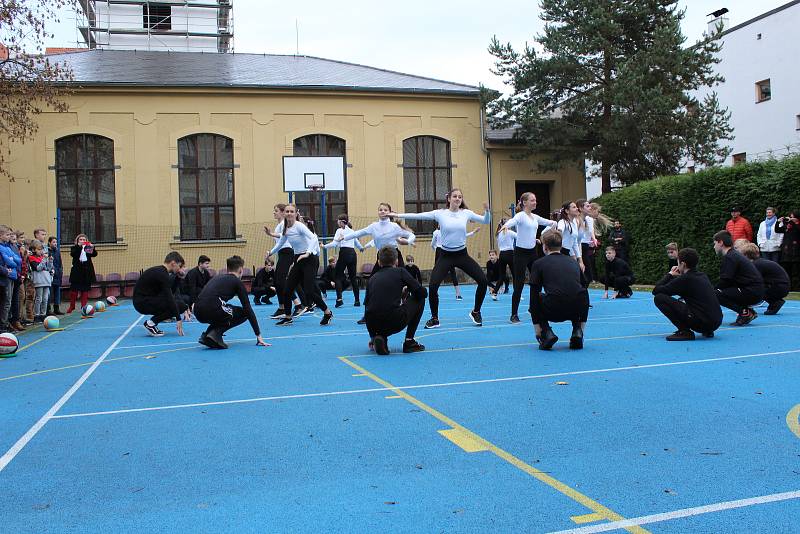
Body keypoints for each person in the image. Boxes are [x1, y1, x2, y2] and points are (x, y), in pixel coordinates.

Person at [391, 188, 491, 328]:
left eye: (460, 197)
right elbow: (418, 215)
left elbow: (486, 221)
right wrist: (398, 214)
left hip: (462, 255)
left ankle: (476, 311)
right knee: (432, 286)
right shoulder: (440, 214)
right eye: (455, 196)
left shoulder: (466, 213)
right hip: (445, 256)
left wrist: (487, 211)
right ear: (449, 198)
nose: (457, 199)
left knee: (483, 281)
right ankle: (435, 318)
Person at [269, 205, 333, 326]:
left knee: (309, 291)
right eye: (287, 211)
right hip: (298, 258)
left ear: (295, 213)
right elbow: (282, 241)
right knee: (287, 290)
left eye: (291, 211)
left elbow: (314, 238)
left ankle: (327, 312)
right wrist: (271, 252)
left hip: (309, 259)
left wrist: (307, 253)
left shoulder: (299, 226)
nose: (289, 213)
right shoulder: (285, 227)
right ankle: (288, 317)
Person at [529, 230, 589, 350]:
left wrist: (537, 327)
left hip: (554, 310)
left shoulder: (538, 264)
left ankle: (547, 332)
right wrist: (582, 325)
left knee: (538, 296)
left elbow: (533, 296)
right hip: (576, 310)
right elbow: (584, 286)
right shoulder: (573, 262)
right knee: (580, 294)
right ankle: (577, 331)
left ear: (545, 247)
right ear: (561, 246)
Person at [502, 193, 557, 323]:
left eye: (535, 200)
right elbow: (512, 221)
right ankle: (514, 314)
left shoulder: (535, 217)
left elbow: (551, 223)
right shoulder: (520, 216)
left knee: (537, 281)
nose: (535, 202)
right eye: (532, 200)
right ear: (524, 202)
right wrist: (506, 226)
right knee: (519, 284)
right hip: (520, 254)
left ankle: (533, 307)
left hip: (533, 252)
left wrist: (542, 237)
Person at [194, 255, 269, 349]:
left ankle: (207, 336)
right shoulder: (237, 282)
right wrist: (258, 335)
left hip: (197, 311)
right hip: (212, 309)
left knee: (226, 309)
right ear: (241, 270)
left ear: (227, 269)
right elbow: (248, 309)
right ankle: (214, 334)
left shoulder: (217, 277)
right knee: (243, 313)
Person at [364, 246, 427, 355]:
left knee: (378, 311)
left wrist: (372, 335)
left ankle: (380, 338)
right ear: (397, 261)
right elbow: (422, 293)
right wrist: (408, 291)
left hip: (373, 324)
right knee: (419, 298)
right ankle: (409, 342)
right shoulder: (401, 272)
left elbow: (367, 306)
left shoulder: (372, 278)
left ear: (379, 262)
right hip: (394, 321)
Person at [652, 248, 723, 340]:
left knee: (659, 298)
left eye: (678, 263)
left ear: (682, 264)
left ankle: (684, 331)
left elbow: (656, 290)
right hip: (716, 322)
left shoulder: (684, 280)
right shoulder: (702, 275)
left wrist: (669, 274)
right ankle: (707, 330)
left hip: (701, 323)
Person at [713, 230, 765, 326]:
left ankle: (745, 313)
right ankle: (747, 311)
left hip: (752, 291)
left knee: (715, 294)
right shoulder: (734, 255)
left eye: (715, 243)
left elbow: (726, 280)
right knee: (723, 291)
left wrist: (710, 290)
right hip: (755, 290)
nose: (714, 247)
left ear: (721, 242)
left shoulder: (730, 257)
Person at [133, 252, 191, 336]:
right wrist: (178, 319)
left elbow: (172, 292)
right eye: (179, 266)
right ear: (173, 263)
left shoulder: (161, 272)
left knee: (179, 305)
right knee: (180, 306)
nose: (179, 269)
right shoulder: (162, 274)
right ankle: (150, 323)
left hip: (144, 301)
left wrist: (178, 278)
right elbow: (169, 297)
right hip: (142, 303)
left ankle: (151, 323)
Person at [264, 203, 305, 319]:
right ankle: (281, 307)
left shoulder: (284, 224)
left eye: (276, 210)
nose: (274, 212)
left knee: (282, 281)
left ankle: (298, 305)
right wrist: (271, 252)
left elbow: (282, 236)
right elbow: (279, 241)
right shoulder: (279, 225)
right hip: (282, 253)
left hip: (287, 252)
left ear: (282, 213)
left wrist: (271, 233)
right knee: (277, 282)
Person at [736, 242, 789, 315]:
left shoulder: (755, 265)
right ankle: (774, 302)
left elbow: (751, 282)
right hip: (781, 287)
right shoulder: (759, 262)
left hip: (779, 287)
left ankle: (775, 302)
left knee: (752, 289)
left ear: (745, 255)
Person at [323, 214, 364, 308]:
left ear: (342, 222)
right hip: (353, 254)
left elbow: (334, 244)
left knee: (337, 276)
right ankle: (357, 301)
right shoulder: (352, 231)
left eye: (338, 220)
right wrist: (362, 248)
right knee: (353, 277)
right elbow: (357, 244)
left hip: (344, 253)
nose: (337, 222)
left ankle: (339, 299)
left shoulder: (339, 230)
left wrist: (324, 246)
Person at [431, 225, 481, 301]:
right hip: (443, 252)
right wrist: (437, 250)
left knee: (446, 273)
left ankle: (456, 293)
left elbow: (464, 235)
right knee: (442, 273)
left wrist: (473, 232)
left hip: (444, 252)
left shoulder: (444, 231)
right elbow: (432, 244)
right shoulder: (437, 232)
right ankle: (451, 293)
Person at [66, 233, 98, 314]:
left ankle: (83, 306)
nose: (82, 241)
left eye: (84, 240)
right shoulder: (74, 248)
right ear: (77, 241)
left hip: (86, 272)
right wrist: (79, 246)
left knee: (85, 290)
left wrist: (92, 248)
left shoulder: (87, 248)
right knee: (74, 290)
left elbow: (94, 254)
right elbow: (74, 254)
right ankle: (72, 306)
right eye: (80, 240)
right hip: (76, 272)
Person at [28, 240, 53, 323]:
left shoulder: (42, 258)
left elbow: (48, 268)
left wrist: (50, 261)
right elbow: (38, 268)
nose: (41, 251)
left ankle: (43, 314)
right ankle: (37, 315)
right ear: (34, 250)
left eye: (41, 249)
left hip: (46, 280)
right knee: (39, 298)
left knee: (45, 298)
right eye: (39, 249)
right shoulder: (32, 258)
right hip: (39, 280)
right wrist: (44, 260)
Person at [775, 210, 800, 290]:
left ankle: (797, 288)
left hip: (796, 251)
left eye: (793, 217)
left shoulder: (798, 225)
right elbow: (777, 230)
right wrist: (778, 222)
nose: (791, 219)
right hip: (786, 251)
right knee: (787, 271)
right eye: (790, 217)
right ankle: (789, 287)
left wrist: (796, 223)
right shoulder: (787, 225)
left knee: (796, 272)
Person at [578, 199, 598, 286]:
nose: (590, 208)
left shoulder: (590, 219)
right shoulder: (576, 220)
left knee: (588, 275)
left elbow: (591, 230)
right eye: (587, 206)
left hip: (585, 246)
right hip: (578, 246)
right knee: (581, 271)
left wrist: (594, 239)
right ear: (581, 209)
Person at [0, 225, 16, 333]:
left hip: (8, 277)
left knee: (8, 301)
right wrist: (6, 271)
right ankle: (2, 325)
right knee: (5, 302)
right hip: (3, 278)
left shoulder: (7, 247)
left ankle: (5, 323)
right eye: (7, 235)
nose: (9, 236)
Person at [494, 218, 515, 295]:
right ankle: (517, 292)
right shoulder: (510, 232)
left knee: (502, 275)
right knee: (514, 274)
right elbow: (519, 237)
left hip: (502, 254)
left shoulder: (498, 234)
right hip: (510, 254)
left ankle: (495, 291)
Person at [47, 236, 64, 315]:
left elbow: (60, 263)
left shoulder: (57, 251)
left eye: (56, 242)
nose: (55, 243)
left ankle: (56, 308)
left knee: (57, 292)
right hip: (50, 275)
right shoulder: (47, 251)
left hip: (57, 274)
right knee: (49, 293)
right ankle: (48, 309)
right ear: (49, 243)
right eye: (53, 242)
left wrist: (60, 271)